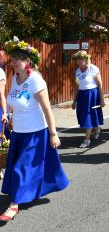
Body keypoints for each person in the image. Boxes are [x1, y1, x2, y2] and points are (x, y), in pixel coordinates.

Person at [0, 39, 69, 222]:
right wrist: (10, 117)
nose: (14, 62)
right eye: (13, 59)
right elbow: (13, 101)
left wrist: (53, 134)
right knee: (19, 166)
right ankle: (28, 192)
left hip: (35, 133)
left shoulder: (36, 81)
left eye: (19, 60)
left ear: (28, 61)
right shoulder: (15, 78)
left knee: (21, 168)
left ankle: (14, 204)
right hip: (19, 133)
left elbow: (47, 109)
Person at [71, 50, 105, 148]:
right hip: (82, 96)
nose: (79, 61)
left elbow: (100, 85)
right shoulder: (77, 71)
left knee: (88, 116)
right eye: (78, 59)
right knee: (83, 115)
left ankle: (87, 140)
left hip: (92, 95)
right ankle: (96, 127)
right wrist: (74, 101)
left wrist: (102, 99)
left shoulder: (93, 69)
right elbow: (76, 87)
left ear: (86, 59)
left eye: (81, 59)